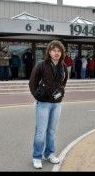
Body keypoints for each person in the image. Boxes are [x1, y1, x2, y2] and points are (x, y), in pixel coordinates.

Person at [29, 40, 68, 169]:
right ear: (49, 52)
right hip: (43, 103)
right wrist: (38, 96)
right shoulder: (41, 65)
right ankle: (37, 157)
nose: (56, 53)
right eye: (54, 50)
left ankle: (49, 154)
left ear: (61, 53)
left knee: (51, 131)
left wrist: (60, 93)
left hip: (57, 104)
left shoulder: (63, 67)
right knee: (41, 131)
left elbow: (63, 82)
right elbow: (32, 83)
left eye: (59, 51)